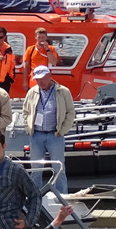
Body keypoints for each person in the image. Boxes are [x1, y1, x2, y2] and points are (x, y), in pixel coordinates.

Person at [21, 65, 75, 195]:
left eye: (42, 78)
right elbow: (25, 111)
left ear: (49, 76)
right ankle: (35, 196)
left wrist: (62, 131)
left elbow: (70, 112)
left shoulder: (63, 91)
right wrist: (28, 127)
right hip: (36, 136)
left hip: (54, 135)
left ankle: (62, 196)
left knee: (59, 168)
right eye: (37, 79)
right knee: (35, 169)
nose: (40, 82)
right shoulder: (32, 92)